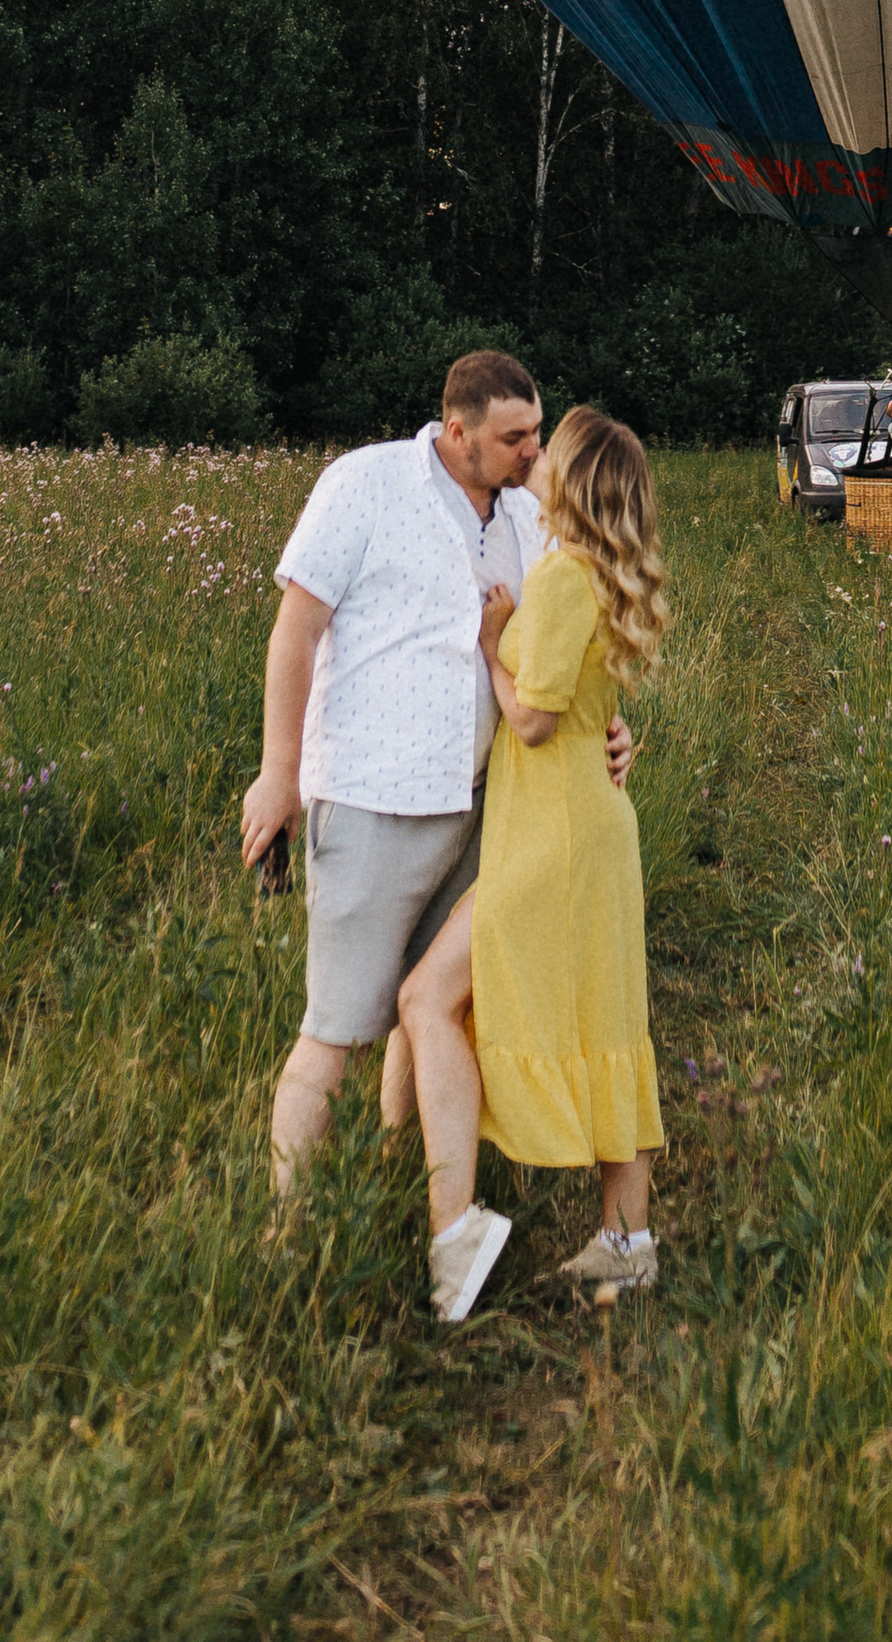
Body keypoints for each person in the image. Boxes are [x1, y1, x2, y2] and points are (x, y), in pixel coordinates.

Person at [238, 349, 635, 1199]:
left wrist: (609, 726)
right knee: (337, 1030)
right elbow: (295, 632)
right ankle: (284, 1230)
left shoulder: (533, 516)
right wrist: (280, 774)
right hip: (376, 798)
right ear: (457, 431)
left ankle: (391, 1184)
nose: (534, 452)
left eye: (537, 433)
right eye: (513, 437)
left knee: (434, 1012)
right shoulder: (366, 484)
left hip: (492, 807)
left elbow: (556, 658)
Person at [397, 407, 669, 1324]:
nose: (535, 458)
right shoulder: (593, 576)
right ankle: (627, 1242)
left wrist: (489, 645)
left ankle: (457, 1228)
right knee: (606, 1015)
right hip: (586, 829)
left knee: (430, 994)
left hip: (552, 838)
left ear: (575, 477)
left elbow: (535, 720)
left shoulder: (559, 581)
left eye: (549, 450)